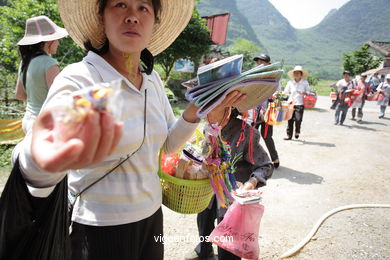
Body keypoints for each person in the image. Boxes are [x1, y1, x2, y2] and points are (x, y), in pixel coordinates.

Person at [13, 0, 246, 259]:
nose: (132, 16)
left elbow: (168, 146)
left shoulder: (152, 80)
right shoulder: (79, 78)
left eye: (143, 8)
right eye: (120, 4)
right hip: (98, 227)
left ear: (154, 21)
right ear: (101, 17)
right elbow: (35, 165)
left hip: (150, 219)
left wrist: (195, 111)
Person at [185, 108, 274, 260]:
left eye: (212, 107)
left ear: (227, 108)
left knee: (227, 242)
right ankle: (204, 251)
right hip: (208, 190)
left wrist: (250, 183)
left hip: (231, 195)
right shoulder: (209, 127)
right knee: (204, 221)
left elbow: (265, 165)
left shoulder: (246, 133)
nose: (205, 113)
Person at [14, 15, 68, 133]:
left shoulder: (25, 61)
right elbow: (58, 98)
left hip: (27, 121)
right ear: (49, 41)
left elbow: (20, 95)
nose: (58, 43)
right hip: (44, 124)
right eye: (57, 39)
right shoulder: (49, 63)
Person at [253, 54, 280, 168]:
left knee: (267, 136)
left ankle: (275, 158)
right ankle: (252, 159)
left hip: (268, 111)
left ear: (268, 64)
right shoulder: (254, 75)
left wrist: (273, 97)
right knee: (252, 135)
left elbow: (278, 92)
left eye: (262, 62)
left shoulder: (274, 77)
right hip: (254, 110)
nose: (259, 64)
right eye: (258, 62)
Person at [283, 66, 312, 140]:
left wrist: (304, 92)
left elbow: (309, 92)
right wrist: (284, 94)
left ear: (301, 74)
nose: (296, 74)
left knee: (298, 119)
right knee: (290, 119)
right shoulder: (290, 83)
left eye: (298, 73)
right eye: (295, 73)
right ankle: (289, 135)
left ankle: (297, 131)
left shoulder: (305, 83)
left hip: (300, 103)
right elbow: (286, 92)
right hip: (291, 103)